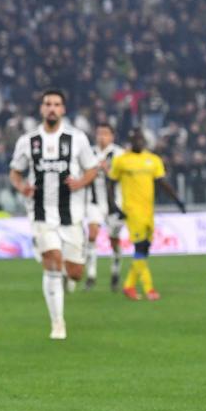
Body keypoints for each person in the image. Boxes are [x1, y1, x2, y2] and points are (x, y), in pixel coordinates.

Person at [9, 90, 98, 340]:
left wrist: (80, 182)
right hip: (40, 214)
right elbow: (15, 173)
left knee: (75, 272)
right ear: (41, 109)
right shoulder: (28, 141)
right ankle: (58, 323)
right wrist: (22, 187)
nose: (52, 108)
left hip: (71, 214)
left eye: (56, 104)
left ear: (63, 110)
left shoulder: (77, 139)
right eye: (48, 104)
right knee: (52, 260)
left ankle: (68, 281)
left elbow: (92, 169)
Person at [108, 129, 186, 301]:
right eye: (135, 139)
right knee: (140, 247)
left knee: (145, 249)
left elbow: (162, 183)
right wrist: (114, 206)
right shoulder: (122, 161)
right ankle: (149, 289)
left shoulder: (153, 160)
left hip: (148, 211)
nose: (139, 142)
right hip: (132, 211)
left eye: (141, 139)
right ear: (130, 141)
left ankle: (129, 286)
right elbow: (111, 184)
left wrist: (178, 200)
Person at [84, 123, 124, 291]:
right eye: (99, 133)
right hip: (94, 202)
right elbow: (82, 174)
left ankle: (115, 270)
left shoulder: (119, 154)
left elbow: (124, 177)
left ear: (112, 136)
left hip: (114, 203)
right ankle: (91, 276)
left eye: (105, 134)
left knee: (113, 240)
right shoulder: (89, 153)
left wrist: (108, 171)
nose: (102, 137)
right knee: (92, 235)